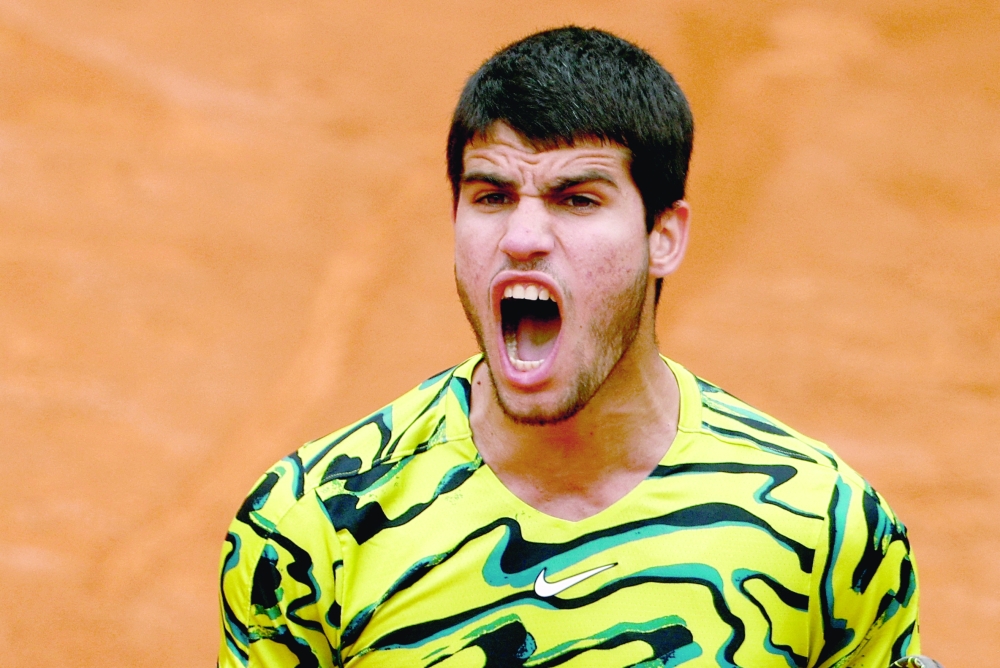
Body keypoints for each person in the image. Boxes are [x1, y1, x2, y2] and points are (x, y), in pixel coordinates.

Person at [219, 27, 923, 667]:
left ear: (663, 236)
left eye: (577, 199)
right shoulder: (313, 530)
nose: (522, 237)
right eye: (491, 196)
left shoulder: (822, 530)